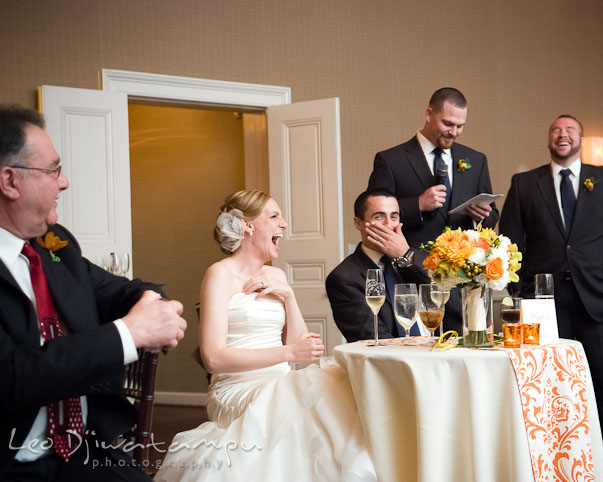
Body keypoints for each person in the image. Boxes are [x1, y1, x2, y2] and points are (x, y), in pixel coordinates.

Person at [0, 106, 187, 481]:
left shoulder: (57, 247)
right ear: (9, 181)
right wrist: (131, 334)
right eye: (53, 170)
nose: (64, 182)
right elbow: (10, 378)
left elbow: (125, 290)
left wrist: (151, 304)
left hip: (84, 450)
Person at [155, 190, 375, 482]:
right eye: (274, 217)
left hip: (281, 382)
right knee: (302, 405)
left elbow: (298, 347)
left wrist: (289, 296)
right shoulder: (220, 274)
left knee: (337, 395)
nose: (283, 224)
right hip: (235, 388)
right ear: (247, 225)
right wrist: (287, 354)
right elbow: (212, 358)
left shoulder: (278, 277)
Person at [499, 114, 603, 474]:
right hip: (543, 300)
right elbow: (510, 241)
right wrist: (519, 289)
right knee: (546, 378)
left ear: (580, 139)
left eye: (570, 131)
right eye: (556, 130)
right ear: (549, 138)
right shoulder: (525, 183)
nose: (562, 135)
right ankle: (547, 447)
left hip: (599, 294)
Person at [367, 87, 499, 249]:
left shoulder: (477, 160)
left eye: (460, 126)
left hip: (462, 266)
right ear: (429, 114)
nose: (454, 132)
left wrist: (482, 216)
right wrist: (418, 204)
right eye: (448, 124)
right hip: (409, 264)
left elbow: (492, 217)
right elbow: (374, 217)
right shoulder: (391, 160)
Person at [326, 189, 461, 342]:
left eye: (394, 217)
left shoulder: (417, 258)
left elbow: (455, 306)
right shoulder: (344, 278)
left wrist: (406, 256)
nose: (388, 225)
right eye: (379, 217)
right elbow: (373, 339)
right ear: (358, 223)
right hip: (393, 362)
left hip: (442, 351)